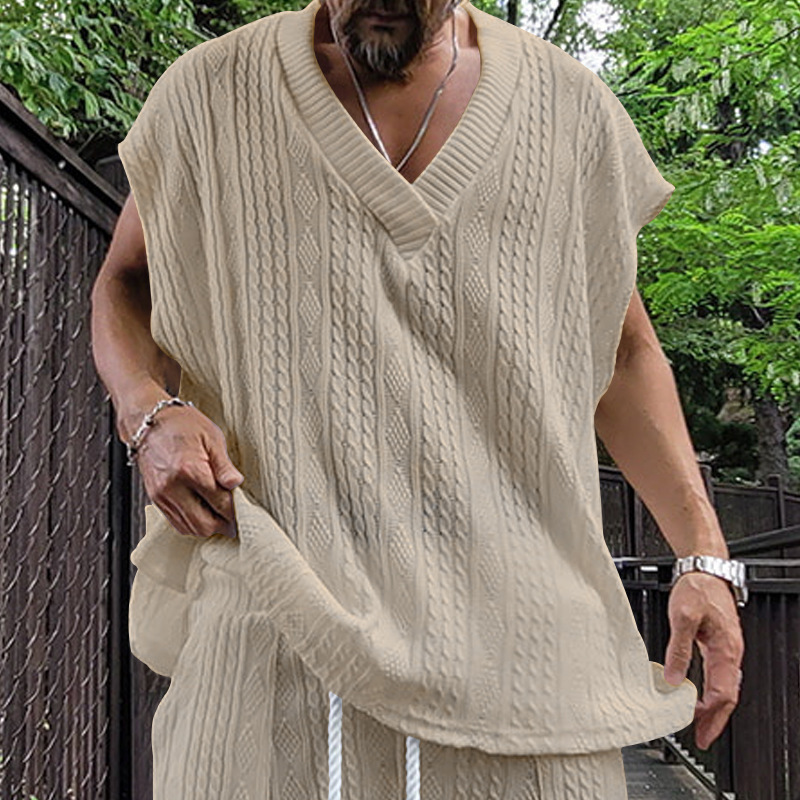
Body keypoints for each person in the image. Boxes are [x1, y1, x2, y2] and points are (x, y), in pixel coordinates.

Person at [91, 0, 745, 796]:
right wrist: (147, 409)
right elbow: (126, 282)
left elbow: (623, 348)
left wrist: (704, 557)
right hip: (272, 628)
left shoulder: (570, 113)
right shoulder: (210, 95)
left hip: (525, 662)